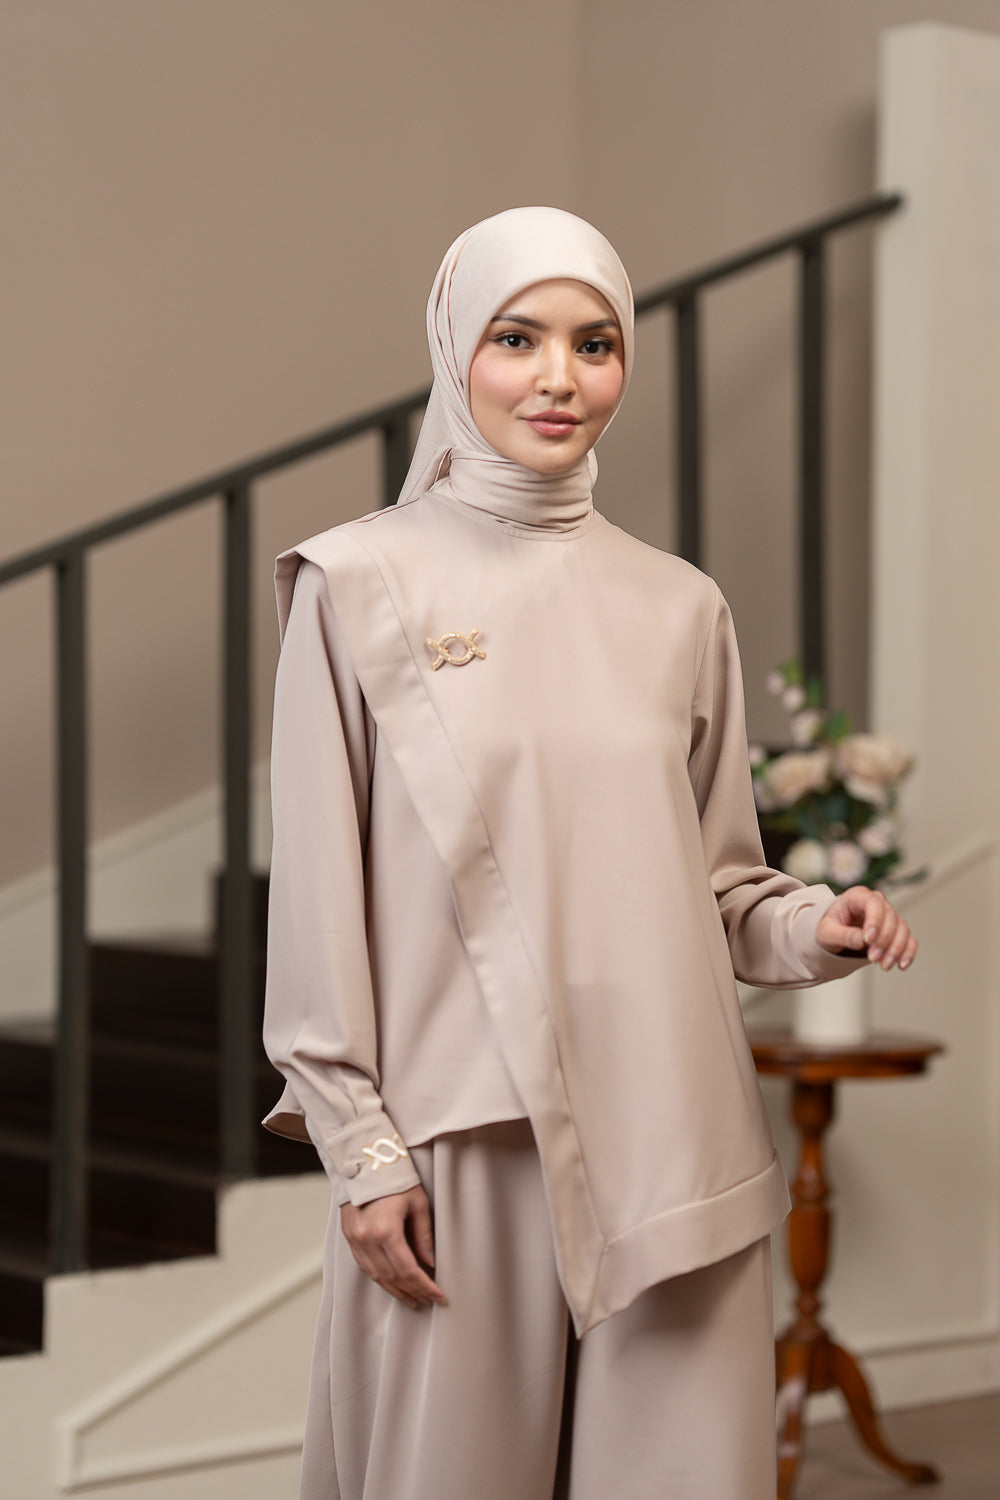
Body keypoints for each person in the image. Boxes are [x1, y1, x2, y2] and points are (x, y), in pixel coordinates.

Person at [262, 207, 917, 1500]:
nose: (559, 377)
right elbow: (321, 898)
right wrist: (363, 1148)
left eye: (595, 343)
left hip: (675, 1136)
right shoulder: (357, 585)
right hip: (464, 1139)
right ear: (455, 349)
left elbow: (720, 883)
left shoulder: (680, 604)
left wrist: (814, 924)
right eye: (517, 339)